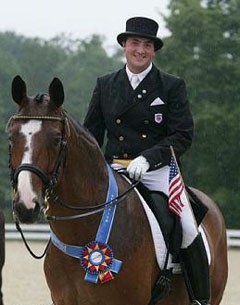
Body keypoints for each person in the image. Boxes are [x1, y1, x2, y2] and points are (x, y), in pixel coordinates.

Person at [84, 16, 210, 305]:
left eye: (147, 45)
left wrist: (147, 157)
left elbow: (182, 135)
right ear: (124, 46)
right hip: (113, 168)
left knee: (190, 228)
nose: (140, 50)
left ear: (153, 50)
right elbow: (91, 134)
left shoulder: (171, 86)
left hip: (157, 170)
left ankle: (201, 298)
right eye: (135, 43)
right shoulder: (106, 85)